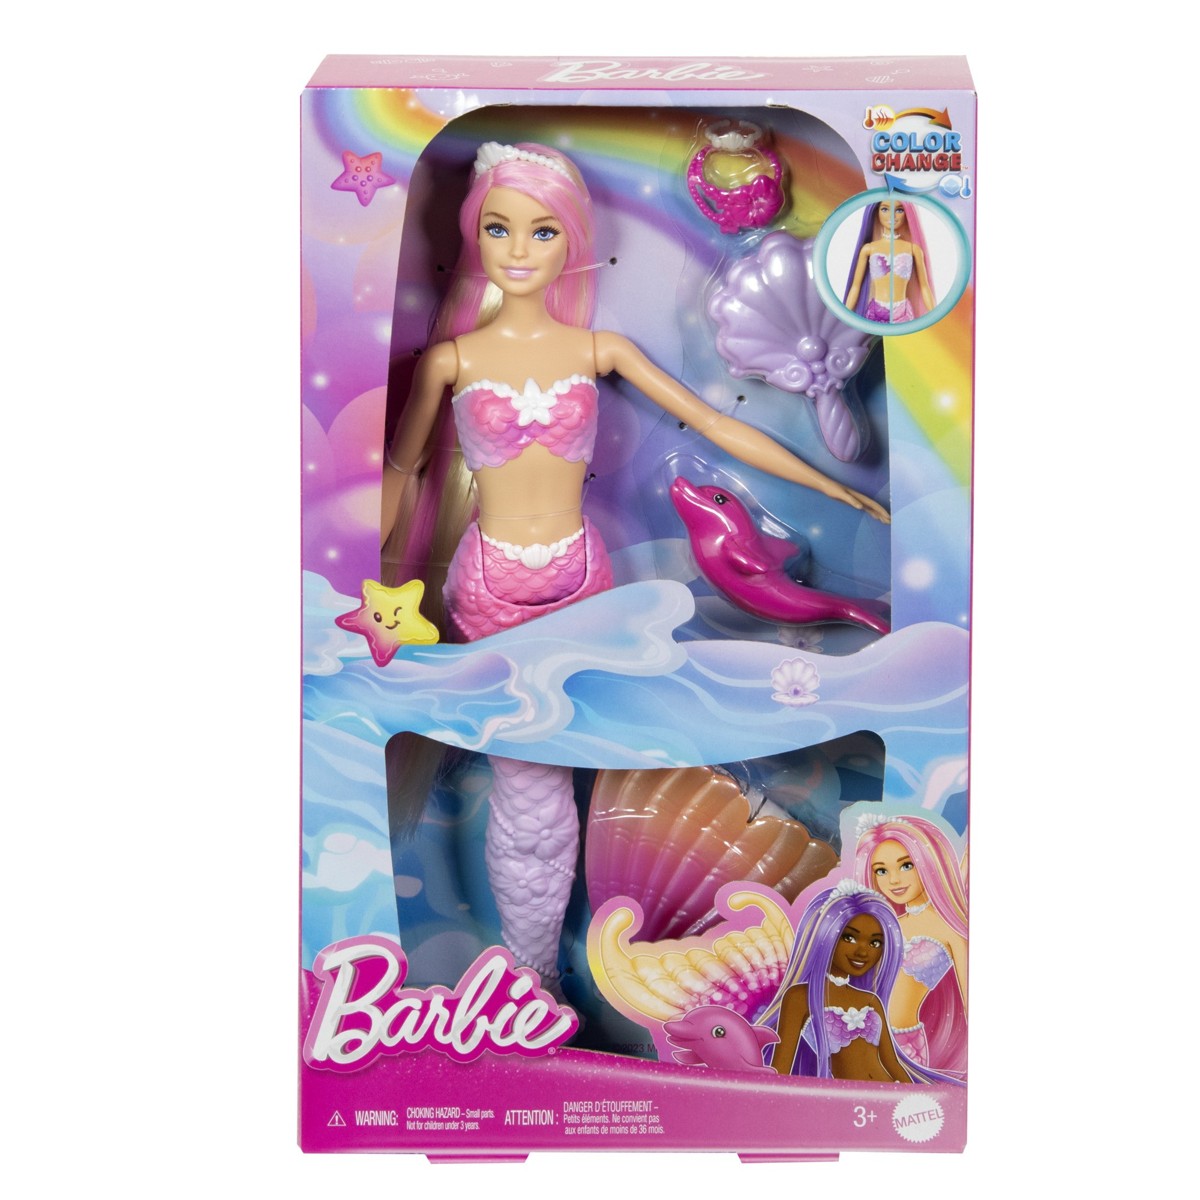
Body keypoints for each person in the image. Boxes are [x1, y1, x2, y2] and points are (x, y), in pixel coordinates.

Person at [380, 142, 889, 991]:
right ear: (473, 232)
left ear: (570, 240)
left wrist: (834, 488)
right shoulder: (452, 360)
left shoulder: (599, 349)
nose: (518, 250)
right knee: (530, 785)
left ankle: (554, 982)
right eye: (499, 228)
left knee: (598, 764)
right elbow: (400, 473)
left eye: (542, 231)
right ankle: (530, 983)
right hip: (491, 586)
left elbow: (713, 426)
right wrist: (370, 584)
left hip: (585, 584)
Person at [854, 813, 968, 1077]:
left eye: (906, 865)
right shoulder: (888, 924)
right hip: (858, 1034)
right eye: (881, 871)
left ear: (928, 861)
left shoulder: (949, 926)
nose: (894, 880)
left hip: (901, 1044)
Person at [842, 198, 935, 323]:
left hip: (903, 314)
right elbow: (855, 286)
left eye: (899, 210)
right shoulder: (869, 249)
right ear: (876, 212)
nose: (892, 215)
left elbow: (924, 286)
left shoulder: (913, 249)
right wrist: (844, 316)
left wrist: (936, 316)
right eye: (885, 209)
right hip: (876, 313)